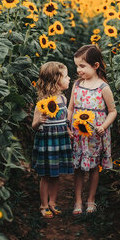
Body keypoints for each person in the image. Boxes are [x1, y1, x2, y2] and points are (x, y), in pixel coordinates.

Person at [67, 44, 117, 215]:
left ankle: (91, 200)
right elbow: (71, 108)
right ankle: (78, 201)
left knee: (94, 167)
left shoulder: (103, 88)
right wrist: (68, 125)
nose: (78, 70)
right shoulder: (77, 85)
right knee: (78, 167)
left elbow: (112, 111)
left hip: (96, 134)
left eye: (82, 66)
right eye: (77, 66)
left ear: (95, 66)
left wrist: (103, 126)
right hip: (78, 134)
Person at [32, 61, 73, 218]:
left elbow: (64, 120)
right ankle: (43, 205)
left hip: (60, 140)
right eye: (66, 76)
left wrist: (68, 131)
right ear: (56, 80)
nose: (69, 78)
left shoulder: (63, 100)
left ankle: (53, 202)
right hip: (47, 141)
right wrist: (39, 121)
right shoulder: (41, 104)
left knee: (56, 174)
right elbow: (34, 126)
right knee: (45, 176)